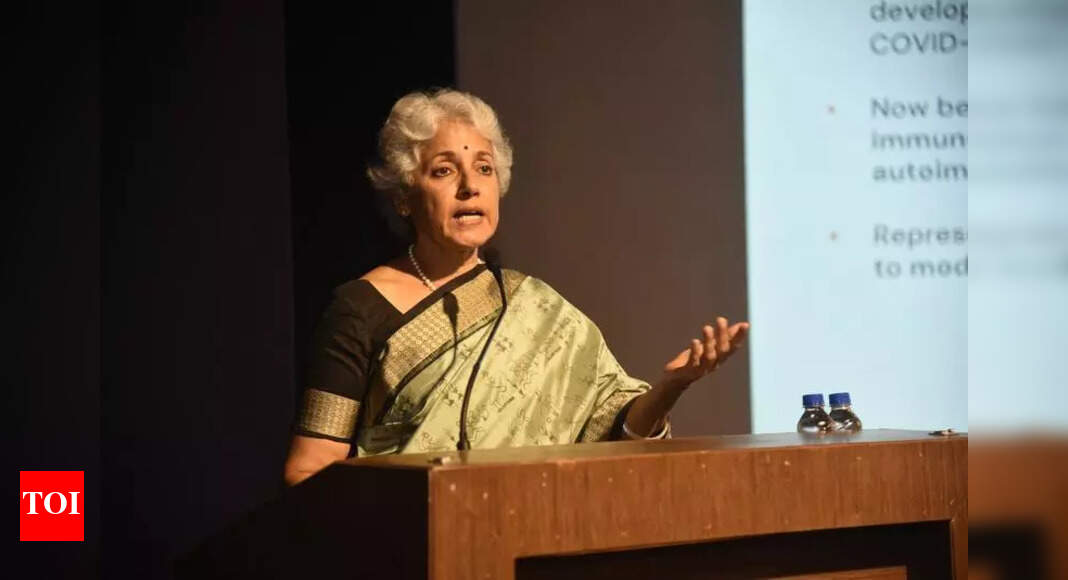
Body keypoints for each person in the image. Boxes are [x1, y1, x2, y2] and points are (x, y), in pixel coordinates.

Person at [283, 89, 748, 486]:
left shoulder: (538, 307)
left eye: (484, 168)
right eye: (444, 170)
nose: (470, 186)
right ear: (405, 196)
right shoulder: (359, 308)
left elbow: (615, 437)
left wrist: (671, 387)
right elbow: (309, 470)